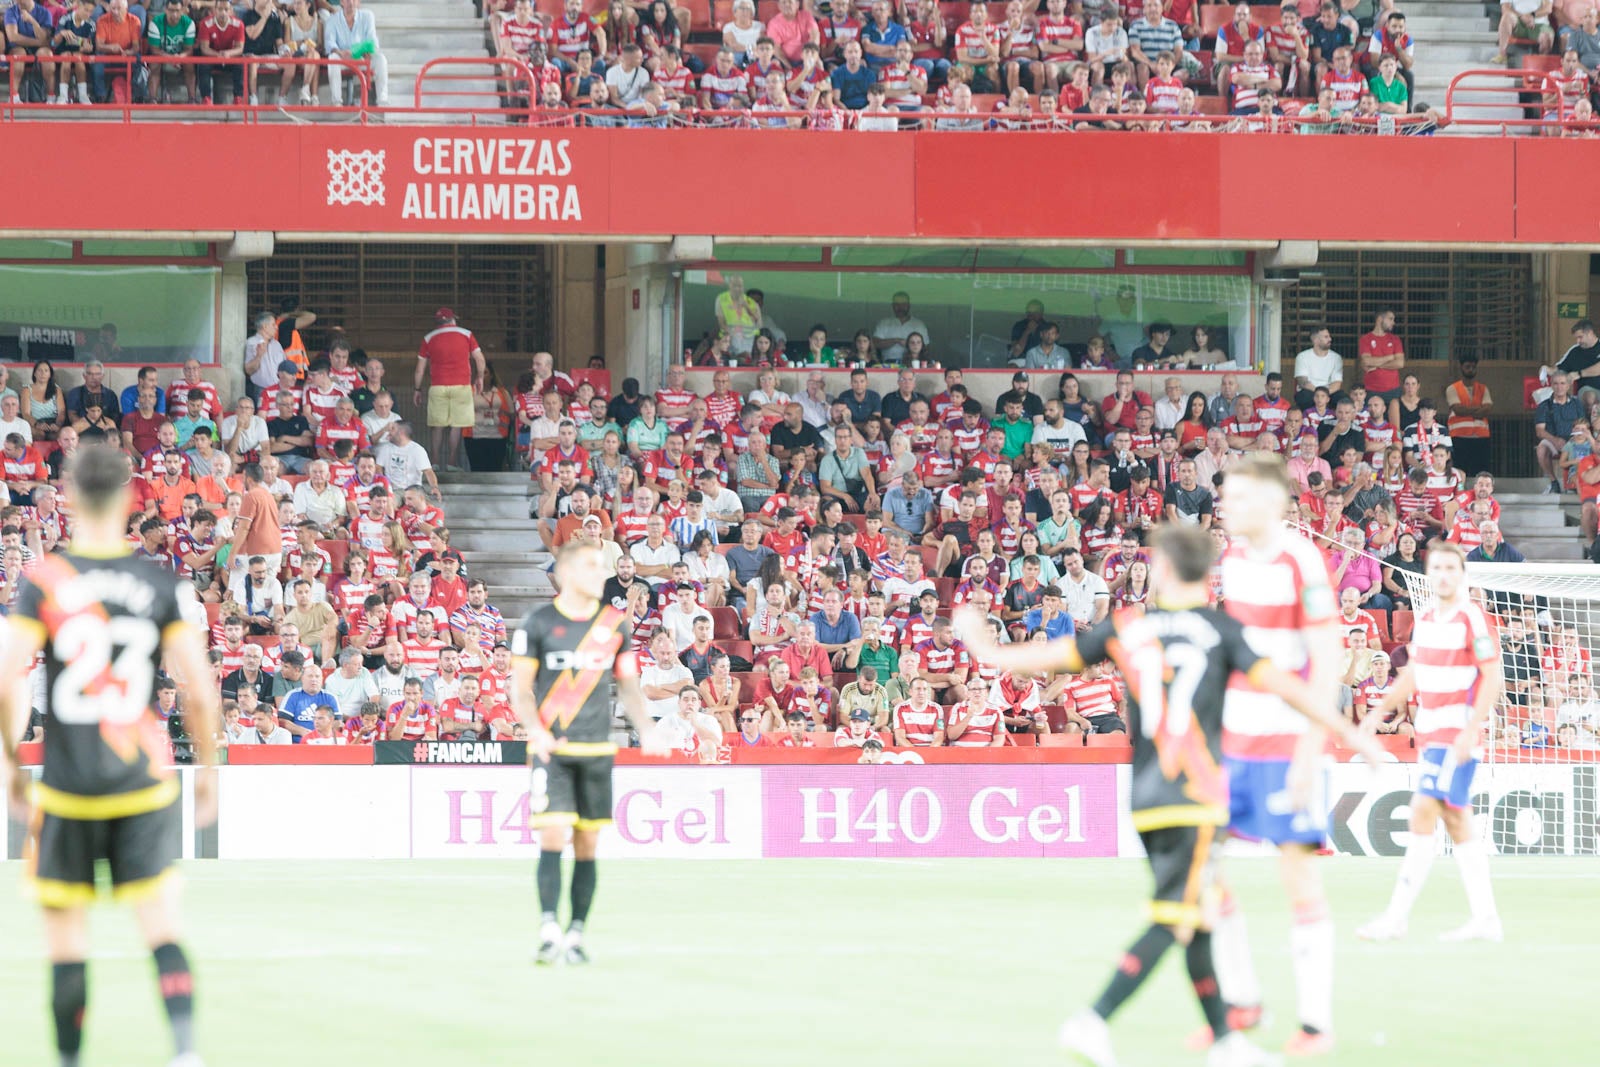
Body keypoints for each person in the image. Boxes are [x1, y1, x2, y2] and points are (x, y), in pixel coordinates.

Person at [956, 525, 1375, 1067]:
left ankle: (1225, 1042)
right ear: (1208, 573)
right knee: (1176, 915)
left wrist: (983, 644)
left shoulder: (1128, 625)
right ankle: (1094, 1020)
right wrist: (1356, 736)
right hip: (1197, 794)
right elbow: (1286, 687)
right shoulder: (1221, 628)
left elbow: (1051, 657)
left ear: (1165, 569)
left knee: (1197, 915)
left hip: (1147, 795)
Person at [0, 445, 222, 1067]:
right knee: (160, 927)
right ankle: (184, 1052)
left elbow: (5, 678)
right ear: (130, 500)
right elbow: (201, 691)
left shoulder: (44, 581)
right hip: (141, 784)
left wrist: (11, 769)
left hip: (68, 791)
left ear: (67, 497)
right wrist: (208, 772)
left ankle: (70, 1060)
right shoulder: (160, 582)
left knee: (66, 943)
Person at [1210, 453, 1344, 1055]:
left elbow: (1327, 660)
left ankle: (1315, 1023)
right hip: (1234, 739)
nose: (1224, 507)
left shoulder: (1301, 559)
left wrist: (1310, 752)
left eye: (1236, 498)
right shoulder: (1233, 558)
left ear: (1269, 502)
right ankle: (1243, 1000)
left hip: (1286, 740)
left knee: (1297, 875)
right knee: (1203, 867)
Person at [512, 540, 668, 966]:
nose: (599, 573)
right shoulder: (537, 623)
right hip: (552, 751)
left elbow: (630, 688)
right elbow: (521, 691)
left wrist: (647, 729)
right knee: (551, 837)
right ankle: (548, 928)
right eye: (590, 566)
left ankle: (576, 934)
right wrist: (535, 731)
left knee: (586, 844)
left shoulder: (614, 625)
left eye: (601, 566)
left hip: (598, 750)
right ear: (564, 573)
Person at [1357, 541, 1505, 943]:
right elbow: (1413, 674)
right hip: (1429, 733)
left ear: (1461, 574)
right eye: (1436, 568)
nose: (1442, 575)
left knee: (1422, 811)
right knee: (1456, 822)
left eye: (1450, 568)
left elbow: (1492, 676)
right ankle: (1486, 919)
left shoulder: (1471, 618)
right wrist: (1376, 712)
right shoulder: (1424, 618)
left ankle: (1396, 917)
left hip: (1456, 733)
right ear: (1428, 573)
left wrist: (1471, 728)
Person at [414, 308, 487, 473]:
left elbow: (420, 369)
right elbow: (480, 359)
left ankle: (434, 462)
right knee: (456, 425)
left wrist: (417, 389)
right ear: (453, 319)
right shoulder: (467, 334)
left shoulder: (428, 338)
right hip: (461, 385)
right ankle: (452, 463)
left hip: (438, 386)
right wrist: (480, 377)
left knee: (437, 426)